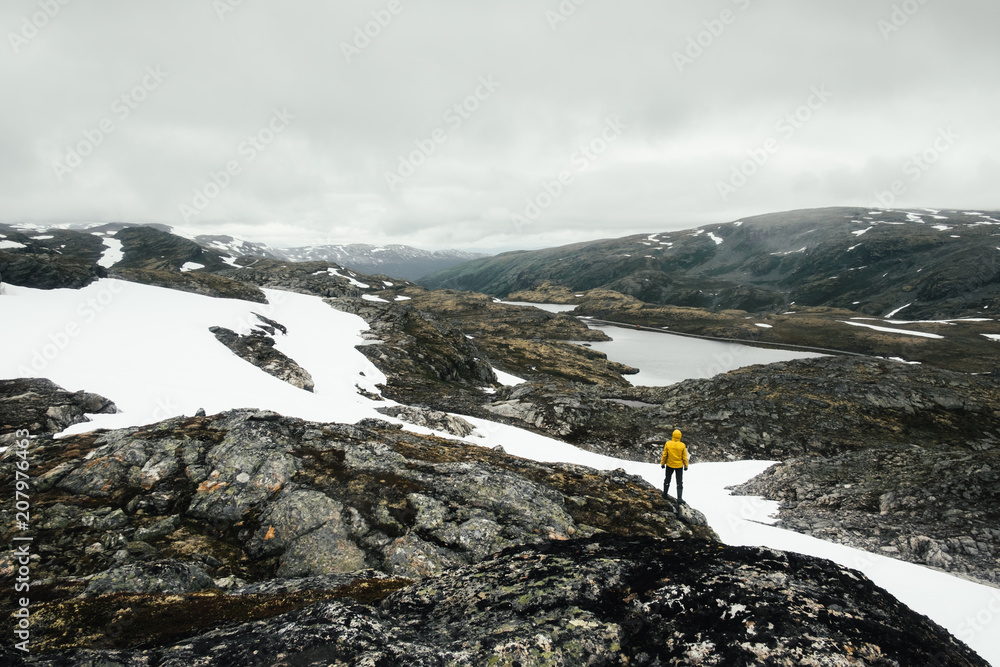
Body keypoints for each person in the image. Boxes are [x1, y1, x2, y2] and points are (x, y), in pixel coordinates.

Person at [660, 429, 689, 508]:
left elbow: (664, 455)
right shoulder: (682, 445)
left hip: (669, 465)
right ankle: (679, 498)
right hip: (679, 466)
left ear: (673, 435)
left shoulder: (668, 443)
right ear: (680, 436)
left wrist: (662, 463)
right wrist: (686, 466)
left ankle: (665, 494)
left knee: (667, 479)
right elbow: (684, 457)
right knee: (679, 482)